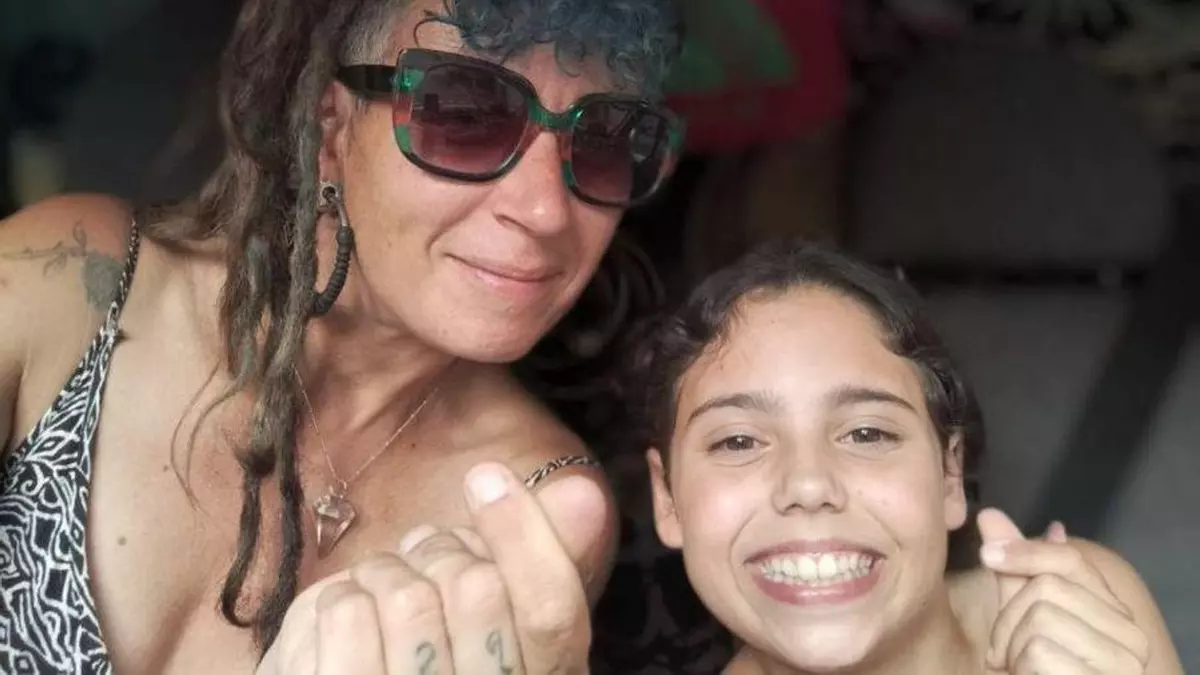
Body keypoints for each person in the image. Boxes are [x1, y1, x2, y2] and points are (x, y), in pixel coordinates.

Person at [0, 0, 685, 672]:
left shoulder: (536, 507)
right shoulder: (69, 282)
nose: (544, 210)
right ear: (330, 127)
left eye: (603, 141)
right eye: (465, 116)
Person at [626, 240, 1184, 674]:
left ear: (949, 473)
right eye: (738, 442)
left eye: (867, 433)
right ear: (667, 498)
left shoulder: (1086, 605)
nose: (808, 484)